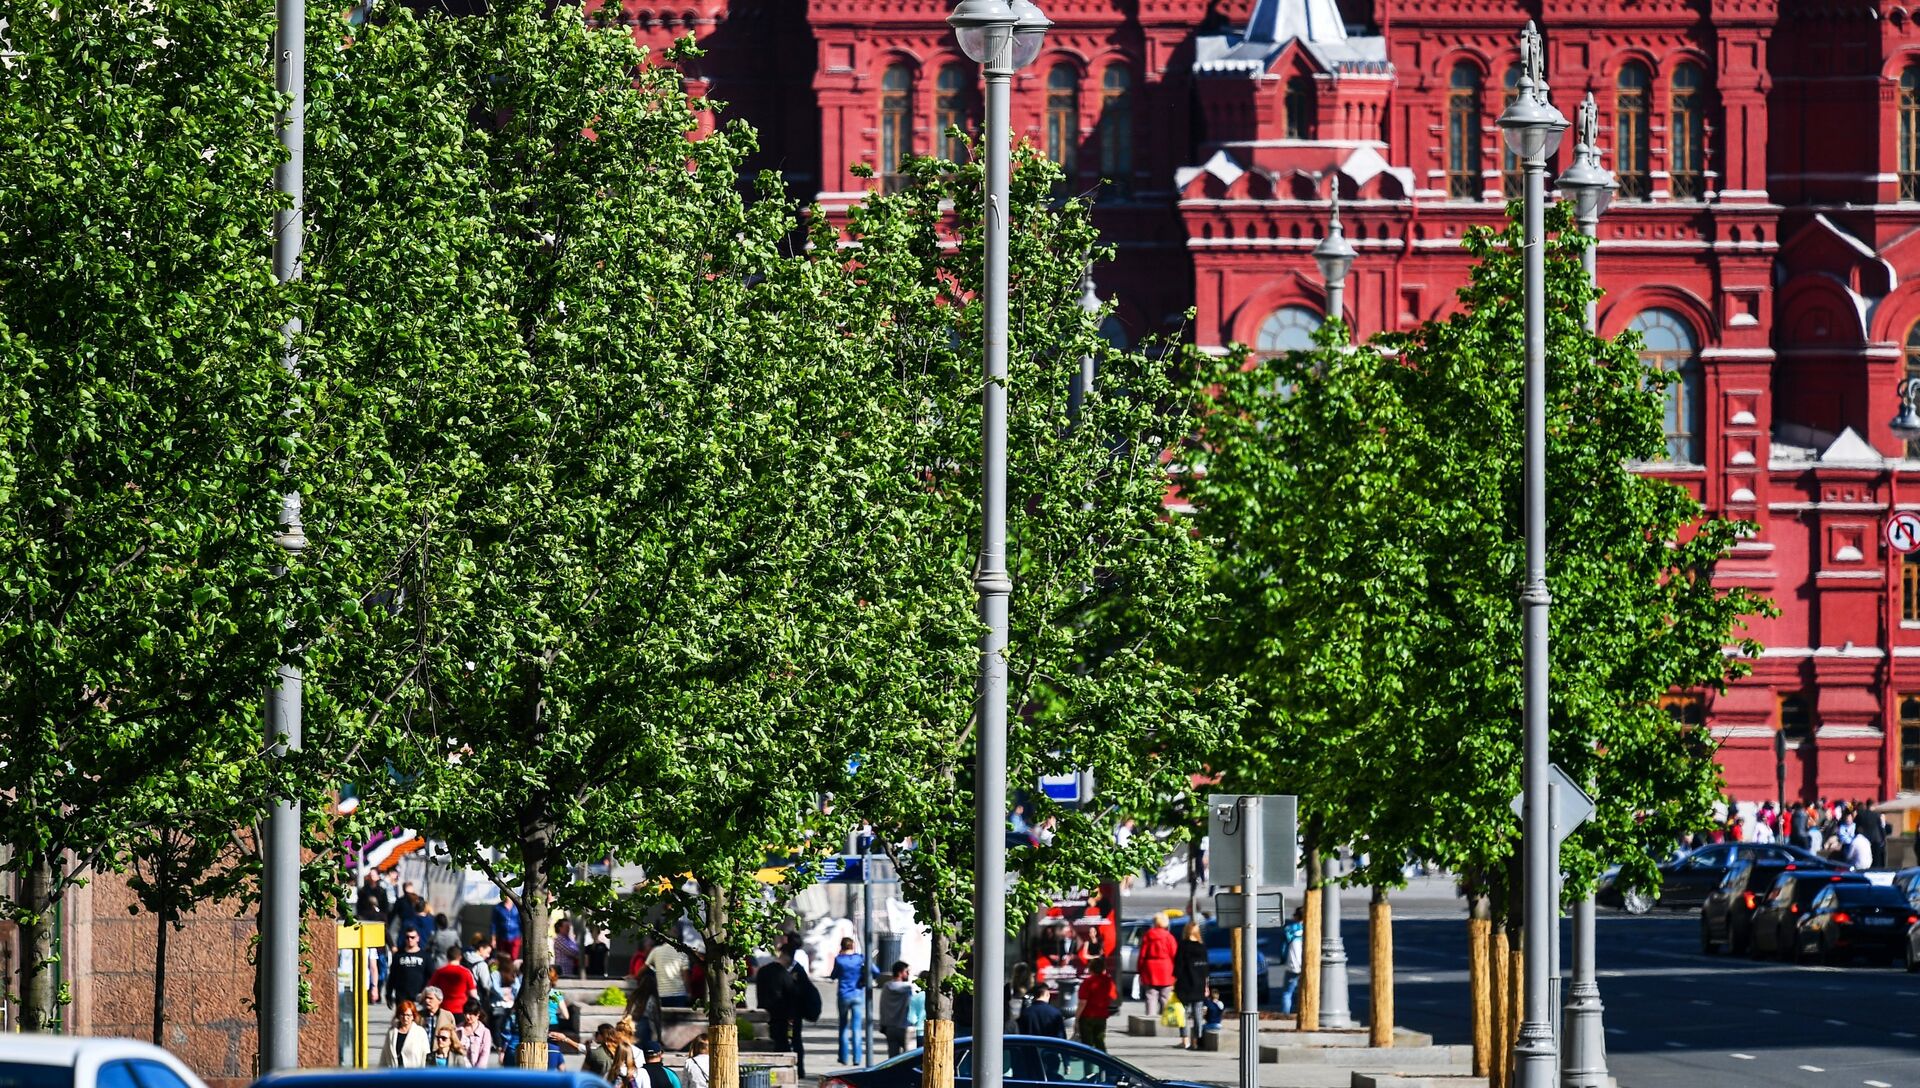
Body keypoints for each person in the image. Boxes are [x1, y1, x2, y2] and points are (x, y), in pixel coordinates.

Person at [828, 936, 867, 1065]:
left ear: (842, 946)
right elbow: (875, 971)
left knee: (843, 1026)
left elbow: (833, 975)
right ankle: (857, 1058)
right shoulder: (860, 958)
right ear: (852, 946)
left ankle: (844, 1057)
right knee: (856, 1028)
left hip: (844, 995)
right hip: (858, 994)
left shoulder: (839, 960)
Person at [1172, 923, 1210, 1051]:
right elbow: (1205, 969)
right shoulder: (1202, 947)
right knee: (1198, 1014)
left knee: (1182, 1013)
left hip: (1185, 984)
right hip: (1199, 984)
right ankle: (1196, 1041)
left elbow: (1178, 966)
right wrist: (1206, 986)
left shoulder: (1183, 946)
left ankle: (1185, 1040)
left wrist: (1175, 980)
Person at [1137, 912, 1178, 1018]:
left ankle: (1151, 1020)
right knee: (1166, 996)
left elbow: (1142, 955)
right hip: (1166, 969)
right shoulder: (1169, 937)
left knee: (1151, 995)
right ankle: (1167, 1019)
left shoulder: (1148, 936)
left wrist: (1140, 971)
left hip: (1150, 969)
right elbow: (1175, 955)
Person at [1075, 955, 1118, 1051]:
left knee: (1087, 1046)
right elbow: (1113, 996)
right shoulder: (1108, 981)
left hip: (1087, 1016)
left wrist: (1077, 1018)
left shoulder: (1087, 982)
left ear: (1090, 969)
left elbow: (1082, 1002)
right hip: (1101, 1016)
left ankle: (1088, 1065)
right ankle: (1104, 1065)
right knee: (1100, 1042)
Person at [386, 928, 432, 1010]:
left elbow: (431, 976)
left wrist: (427, 993)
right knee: (403, 1021)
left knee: (418, 1021)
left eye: (412, 937)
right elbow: (392, 976)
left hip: (419, 996)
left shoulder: (425, 956)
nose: (410, 940)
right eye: (407, 937)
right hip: (402, 996)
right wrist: (388, 994)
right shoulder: (398, 955)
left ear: (418, 938)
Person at [877, 960, 915, 1058]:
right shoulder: (908, 988)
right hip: (905, 1027)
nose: (908, 974)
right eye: (906, 972)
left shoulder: (886, 987)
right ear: (900, 972)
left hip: (890, 1027)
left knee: (893, 1059)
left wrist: (883, 1024)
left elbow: (882, 1006)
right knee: (909, 1058)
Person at [427, 950, 478, 1016]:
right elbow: (473, 994)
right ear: (460, 957)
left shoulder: (439, 972)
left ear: (447, 957)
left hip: (444, 1009)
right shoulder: (466, 972)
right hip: (461, 1009)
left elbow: (429, 989)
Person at [381, 1000, 429, 1068]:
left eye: (408, 1015)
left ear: (413, 1016)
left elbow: (425, 1056)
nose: (405, 1018)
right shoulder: (391, 1032)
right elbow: (384, 1056)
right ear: (398, 1015)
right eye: (402, 1015)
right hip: (394, 1075)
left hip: (414, 1075)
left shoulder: (420, 1032)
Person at [648, 938, 691, 1006]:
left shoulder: (656, 950)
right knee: (679, 1016)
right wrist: (688, 992)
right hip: (679, 994)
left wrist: (635, 976)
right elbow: (685, 975)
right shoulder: (682, 952)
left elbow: (645, 966)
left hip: (662, 994)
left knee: (663, 1016)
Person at [1279, 908, 1306, 1015]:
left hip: (1293, 965)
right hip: (1307, 965)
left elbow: (1283, 949)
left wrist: (1282, 959)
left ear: (1296, 917)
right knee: (1305, 991)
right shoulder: (1311, 928)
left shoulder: (1289, 930)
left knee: (1287, 993)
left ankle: (1286, 1015)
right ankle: (1304, 1013)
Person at [458, 1001, 493, 1068]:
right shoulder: (457, 1029)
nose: (467, 1016)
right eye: (465, 1013)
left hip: (477, 1073)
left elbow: (484, 1054)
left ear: (478, 1014)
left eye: (471, 1014)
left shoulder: (485, 1032)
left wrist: (477, 1073)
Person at [493, 894, 524, 962]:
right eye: (505, 895)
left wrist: (522, 936)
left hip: (515, 936)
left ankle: (511, 971)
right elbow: (494, 924)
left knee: (513, 957)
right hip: (502, 936)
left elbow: (521, 922)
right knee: (502, 956)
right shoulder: (498, 907)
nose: (507, 897)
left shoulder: (517, 907)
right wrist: (493, 938)